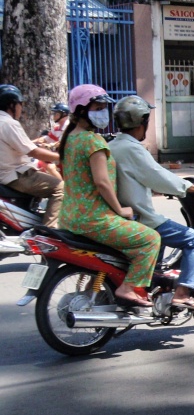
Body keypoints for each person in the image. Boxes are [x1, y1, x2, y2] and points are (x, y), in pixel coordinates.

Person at [59, 84, 161, 308]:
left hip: (69, 217)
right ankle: (128, 288)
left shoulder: (69, 141)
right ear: (82, 110)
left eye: (104, 107)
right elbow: (102, 182)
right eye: (97, 107)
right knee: (150, 239)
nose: (102, 111)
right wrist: (119, 210)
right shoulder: (92, 141)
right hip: (95, 219)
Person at [109, 95, 194, 311]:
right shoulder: (133, 149)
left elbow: (142, 178)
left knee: (162, 236)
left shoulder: (112, 146)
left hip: (118, 215)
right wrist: (193, 188)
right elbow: (157, 176)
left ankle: (151, 283)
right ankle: (183, 293)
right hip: (140, 217)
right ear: (142, 122)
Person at [0, 85, 63, 228]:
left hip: (6, 174)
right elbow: (32, 151)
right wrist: (61, 157)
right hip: (15, 175)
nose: (21, 108)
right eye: (20, 104)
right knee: (60, 187)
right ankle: (50, 231)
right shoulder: (8, 123)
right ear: (12, 104)